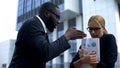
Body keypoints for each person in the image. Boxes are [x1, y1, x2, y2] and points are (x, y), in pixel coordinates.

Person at [8, 2, 86, 68]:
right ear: (47, 14)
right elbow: (45, 53)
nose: (58, 22)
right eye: (57, 17)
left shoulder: (39, 27)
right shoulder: (33, 25)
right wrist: (66, 37)